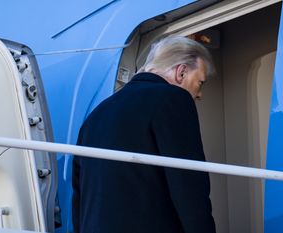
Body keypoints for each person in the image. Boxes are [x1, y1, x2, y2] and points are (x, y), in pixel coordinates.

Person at [72, 35, 216, 233]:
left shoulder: (96, 115)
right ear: (181, 72)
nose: (199, 94)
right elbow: (188, 186)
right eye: (200, 82)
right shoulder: (174, 99)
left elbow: (80, 196)